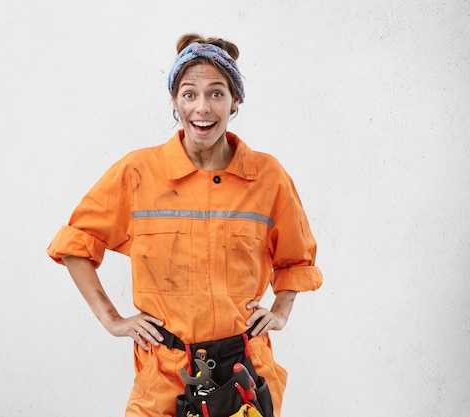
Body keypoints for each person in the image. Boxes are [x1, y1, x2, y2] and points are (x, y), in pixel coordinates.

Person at [47, 34, 323, 417]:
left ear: (235, 101)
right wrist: (112, 320)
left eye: (216, 93)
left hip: (244, 372)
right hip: (163, 374)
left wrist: (281, 310)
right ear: (175, 103)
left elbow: (296, 259)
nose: (202, 108)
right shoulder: (139, 172)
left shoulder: (267, 177)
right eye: (190, 94)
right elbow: (77, 244)